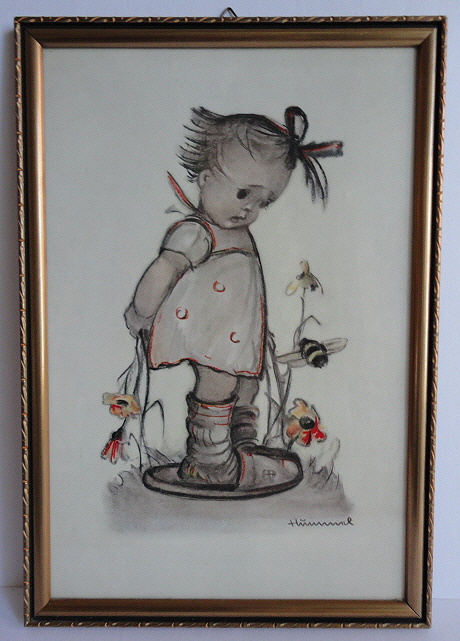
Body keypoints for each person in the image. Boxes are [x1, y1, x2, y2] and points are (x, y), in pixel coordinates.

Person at [124, 106, 342, 491]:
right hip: (208, 336)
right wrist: (141, 311)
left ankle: (241, 448)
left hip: (236, 337)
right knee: (218, 386)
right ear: (207, 179)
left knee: (247, 385)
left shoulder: (235, 230)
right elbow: (163, 269)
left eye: (262, 202)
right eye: (244, 193)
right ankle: (209, 464)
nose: (249, 209)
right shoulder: (197, 232)